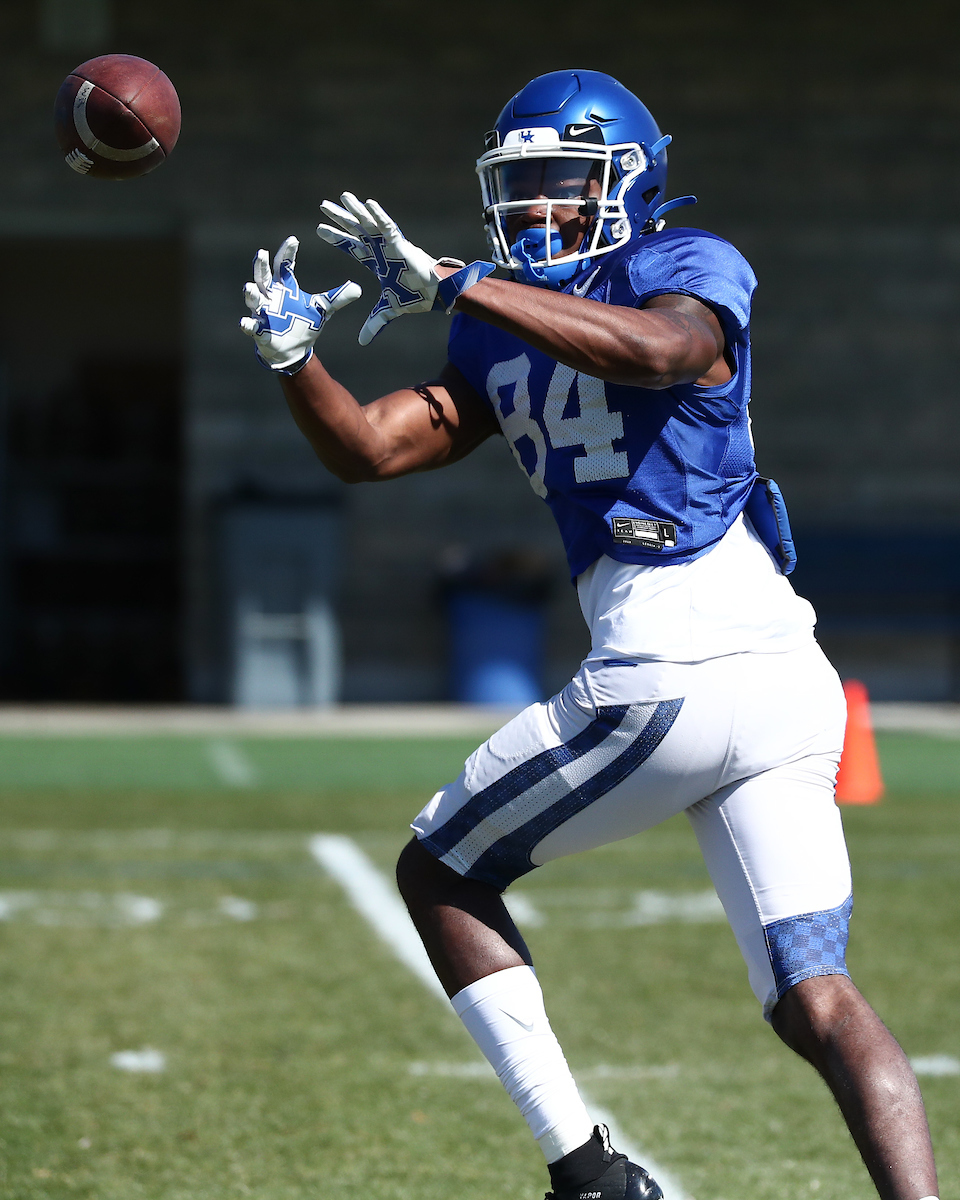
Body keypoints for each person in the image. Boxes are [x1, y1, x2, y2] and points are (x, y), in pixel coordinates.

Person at [240, 69, 939, 1200]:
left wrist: (463, 286)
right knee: (817, 997)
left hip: (671, 670)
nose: (538, 213)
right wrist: (294, 363)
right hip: (783, 686)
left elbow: (659, 352)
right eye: (519, 192)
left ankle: (590, 1176)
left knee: (440, 868)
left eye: (564, 187)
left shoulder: (685, 264)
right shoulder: (500, 321)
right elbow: (371, 447)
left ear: (630, 181)